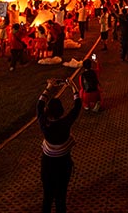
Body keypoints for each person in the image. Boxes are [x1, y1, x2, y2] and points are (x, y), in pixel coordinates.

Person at [37, 78, 82, 213]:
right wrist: (72, 86)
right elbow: (77, 105)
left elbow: (39, 104)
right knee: (60, 198)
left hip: (48, 164)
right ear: (61, 111)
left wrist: (49, 86)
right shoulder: (66, 122)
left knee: (47, 198)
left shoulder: (44, 123)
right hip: (64, 164)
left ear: (47, 111)